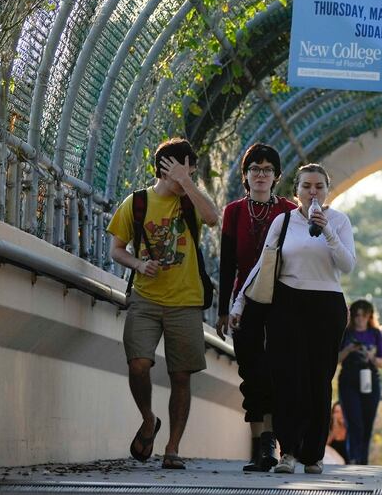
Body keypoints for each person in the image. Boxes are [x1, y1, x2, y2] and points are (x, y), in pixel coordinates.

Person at [230, 163, 354, 475]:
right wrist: (240, 302)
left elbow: (347, 264)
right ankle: (287, 452)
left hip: (327, 304)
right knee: (287, 378)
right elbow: (263, 263)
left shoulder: (339, 221)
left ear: (327, 190)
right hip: (288, 303)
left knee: (318, 380)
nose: (313, 192)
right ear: (295, 191)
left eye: (319, 187)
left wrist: (325, 229)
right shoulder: (283, 221)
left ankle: (313, 455)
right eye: (306, 186)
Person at [107, 137, 221, 470]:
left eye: (191, 171)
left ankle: (172, 447)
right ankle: (147, 419)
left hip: (186, 301)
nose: (189, 177)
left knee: (181, 375)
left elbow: (213, 218)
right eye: (184, 170)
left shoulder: (191, 202)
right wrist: (139, 265)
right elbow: (116, 249)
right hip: (146, 298)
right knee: (138, 364)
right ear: (165, 169)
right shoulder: (137, 203)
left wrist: (187, 184)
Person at [216, 142, 296, 472]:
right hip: (245, 303)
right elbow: (226, 264)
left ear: (276, 176)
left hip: (281, 303)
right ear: (245, 176)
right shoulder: (234, 211)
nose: (260, 175)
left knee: (276, 370)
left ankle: (271, 445)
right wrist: (222, 309)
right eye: (254, 169)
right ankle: (258, 444)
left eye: (267, 169)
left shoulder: (291, 211)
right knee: (251, 370)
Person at [336, 298, 382, 464]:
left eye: (364, 315)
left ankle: (363, 461)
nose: (360, 318)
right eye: (356, 315)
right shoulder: (345, 333)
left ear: (370, 316)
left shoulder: (375, 334)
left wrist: (370, 356)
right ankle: (353, 457)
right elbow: (336, 359)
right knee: (354, 421)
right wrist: (349, 349)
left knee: (367, 422)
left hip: (370, 379)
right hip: (349, 379)